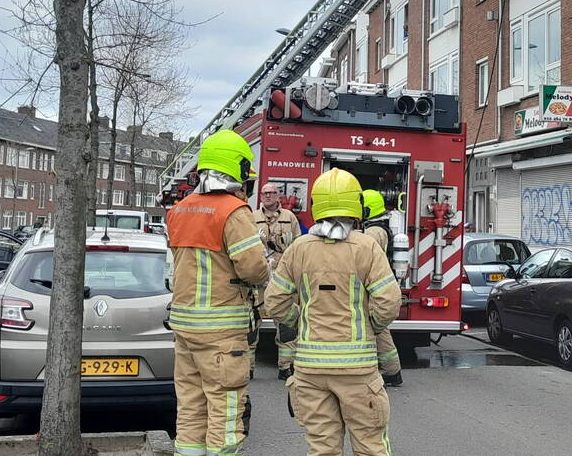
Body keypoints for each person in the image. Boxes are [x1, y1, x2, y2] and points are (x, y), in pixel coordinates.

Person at [265, 169, 401, 456]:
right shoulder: (366, 247)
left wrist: (299, 321)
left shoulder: (298, 248)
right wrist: (370, 324)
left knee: (322, 448)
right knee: (371, 447)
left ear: (316, 205)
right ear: (355, 205)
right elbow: (389, 301)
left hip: (310, 370)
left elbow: (274, 301)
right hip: (357, 370)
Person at [167, 130, 270, 456]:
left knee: (190, 408)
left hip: (184, 327)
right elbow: (253, 269)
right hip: (221, 330)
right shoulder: (234, 212)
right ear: (236, 168)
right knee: (225, 412)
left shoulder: (181, 209)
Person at [249, 182, 301, 380]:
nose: (268, 196)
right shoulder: (252, 217)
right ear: (260, 196)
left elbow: (298, 245)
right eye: (265, 193)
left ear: (279, 196)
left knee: (287, 323)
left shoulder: (290, 218)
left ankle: (285, 367)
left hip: (283, 278)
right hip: (259, 277)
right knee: (251, 323)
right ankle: (248, 367)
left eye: (272, 193)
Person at [361, 189, 402, 387]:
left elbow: (365, 259)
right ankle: (390, 370)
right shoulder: (380, 227)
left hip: (373, 286)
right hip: (379, 284)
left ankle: (391, 371)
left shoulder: (373, 232)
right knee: (378, 328)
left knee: (377, 329)